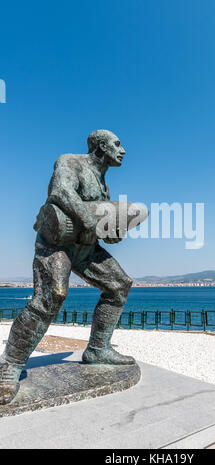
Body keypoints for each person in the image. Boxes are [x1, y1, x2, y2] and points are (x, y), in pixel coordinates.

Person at [0, 130, 135, 405]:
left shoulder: (104, 184)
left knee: (119, 286)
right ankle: (10, 366)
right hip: (55, 246)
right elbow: (60, 191)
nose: (123, 150)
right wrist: (88, 218)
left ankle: (98, 349)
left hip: (85, 249)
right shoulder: (70, 162)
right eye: (117, 144)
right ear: (100, 146)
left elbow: (98, 225)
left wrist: (111, 232)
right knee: (52, 296)